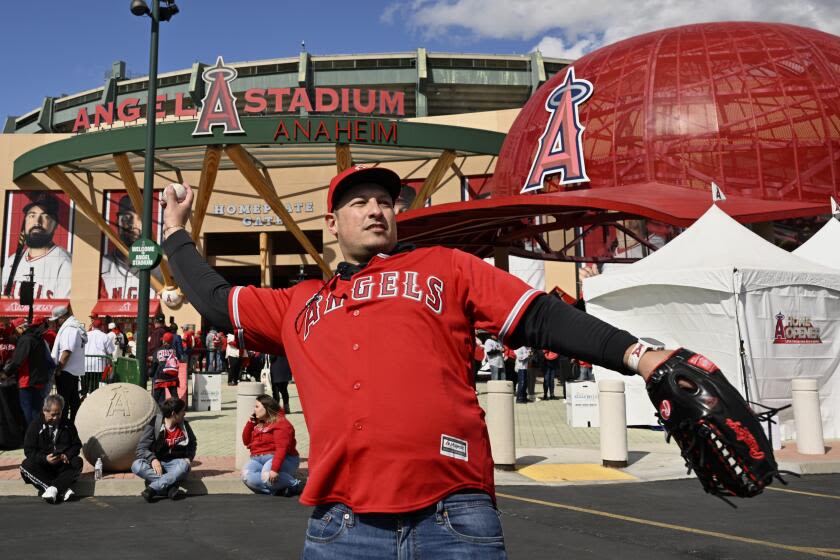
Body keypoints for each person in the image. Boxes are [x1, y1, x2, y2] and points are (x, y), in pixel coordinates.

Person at [160, 167, 672, 558]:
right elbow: (213, 298)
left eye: (385, 201)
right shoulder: (299, 302)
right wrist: (175, 231)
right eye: (359, 202)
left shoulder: (445, 266)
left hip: (453, 515)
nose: (376, 209)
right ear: (332, 223)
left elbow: (538, 316)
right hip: (343, 524)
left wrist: (639, 356)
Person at [1, 193, 72, 300]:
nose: (37, 222)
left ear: (55, 224)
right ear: (25, 222)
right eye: (32, 216)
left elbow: (65, 313)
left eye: (45, 216)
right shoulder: (12, 261)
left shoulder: (65, 263)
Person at [19, 394, 83, 504]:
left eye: (59, 414)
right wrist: (45, 459)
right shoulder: (35, 426)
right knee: (25, 466)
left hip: (62, 465)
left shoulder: (68, 424)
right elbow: (29, 451)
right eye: (53, 415)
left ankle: (53, 489)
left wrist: (66, 455)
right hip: (43, 467)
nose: (56, 418)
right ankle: (61, 489)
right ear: (45, 411)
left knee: (78, 462)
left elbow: (76, 445)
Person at [131, 397, 196, 502]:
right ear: (174, 414)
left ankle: (152, 488)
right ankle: (170, 487)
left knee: (184, 466)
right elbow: (141, 448)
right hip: (157, 465)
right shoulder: (155, 423)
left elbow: (193, 443)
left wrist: (189, 457)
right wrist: (153, 459)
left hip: (175, 465)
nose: (185, 413)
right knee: (136, 466)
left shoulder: (184, 425)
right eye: (183, 411)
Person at [241, 394, 304, 496]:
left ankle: (296, 485)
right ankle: (277, 490)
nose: (254, 409)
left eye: (257, 407)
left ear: (267, 408)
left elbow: (281, 449)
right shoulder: (258, 422)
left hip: (281, 458)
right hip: (257, 458)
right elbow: (246, 441)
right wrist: (250, 423)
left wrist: (274, 469)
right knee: (246, 476)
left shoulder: (281, 423)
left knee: (266, 476)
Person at [99, 194, 159, 299]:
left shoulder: (161, 269)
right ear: (118, 220)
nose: (133, 225)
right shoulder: (102, 265)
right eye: (127, 217)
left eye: (140, 218)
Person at [2, 318, 53, 425]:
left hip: (27, 381)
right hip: (39, 380)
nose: (14, 334)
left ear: (20, 328)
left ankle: (32, 437)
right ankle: (38, 434)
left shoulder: (26, 339)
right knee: (36, 411)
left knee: (28, 413)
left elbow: (18, 361)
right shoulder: (39, 338)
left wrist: (5, 374)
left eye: (15, 331)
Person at [49, 305, 87, 423]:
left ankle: (65, 427)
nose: (56, 323)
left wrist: (59, 369)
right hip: (72, 370)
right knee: (73, 401)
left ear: (62, 317)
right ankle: (72, 426)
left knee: (64, 402)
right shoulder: (75, 327)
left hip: (66, 371)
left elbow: (66, 351)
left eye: (57, 320)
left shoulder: (69, 329)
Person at [83, 319, 114, 398]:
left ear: (92, 326)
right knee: (94, 385)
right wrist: (111, 363)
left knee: (84, 384)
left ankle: (84, 397)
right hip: (98, 365)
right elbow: (110, 352)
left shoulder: (86, 334)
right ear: (101, 326)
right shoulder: (104, 336)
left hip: (85, 363)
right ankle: (92, 399)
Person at [151, 332, 179, 406]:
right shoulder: (174, 351)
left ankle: (155, 413)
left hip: (160, 376)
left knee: (156, 398)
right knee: (175, 396)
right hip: (172, 376)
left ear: (164, 341)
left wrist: (151, 373)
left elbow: (154, 364)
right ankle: (177, 411)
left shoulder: (158, 350)